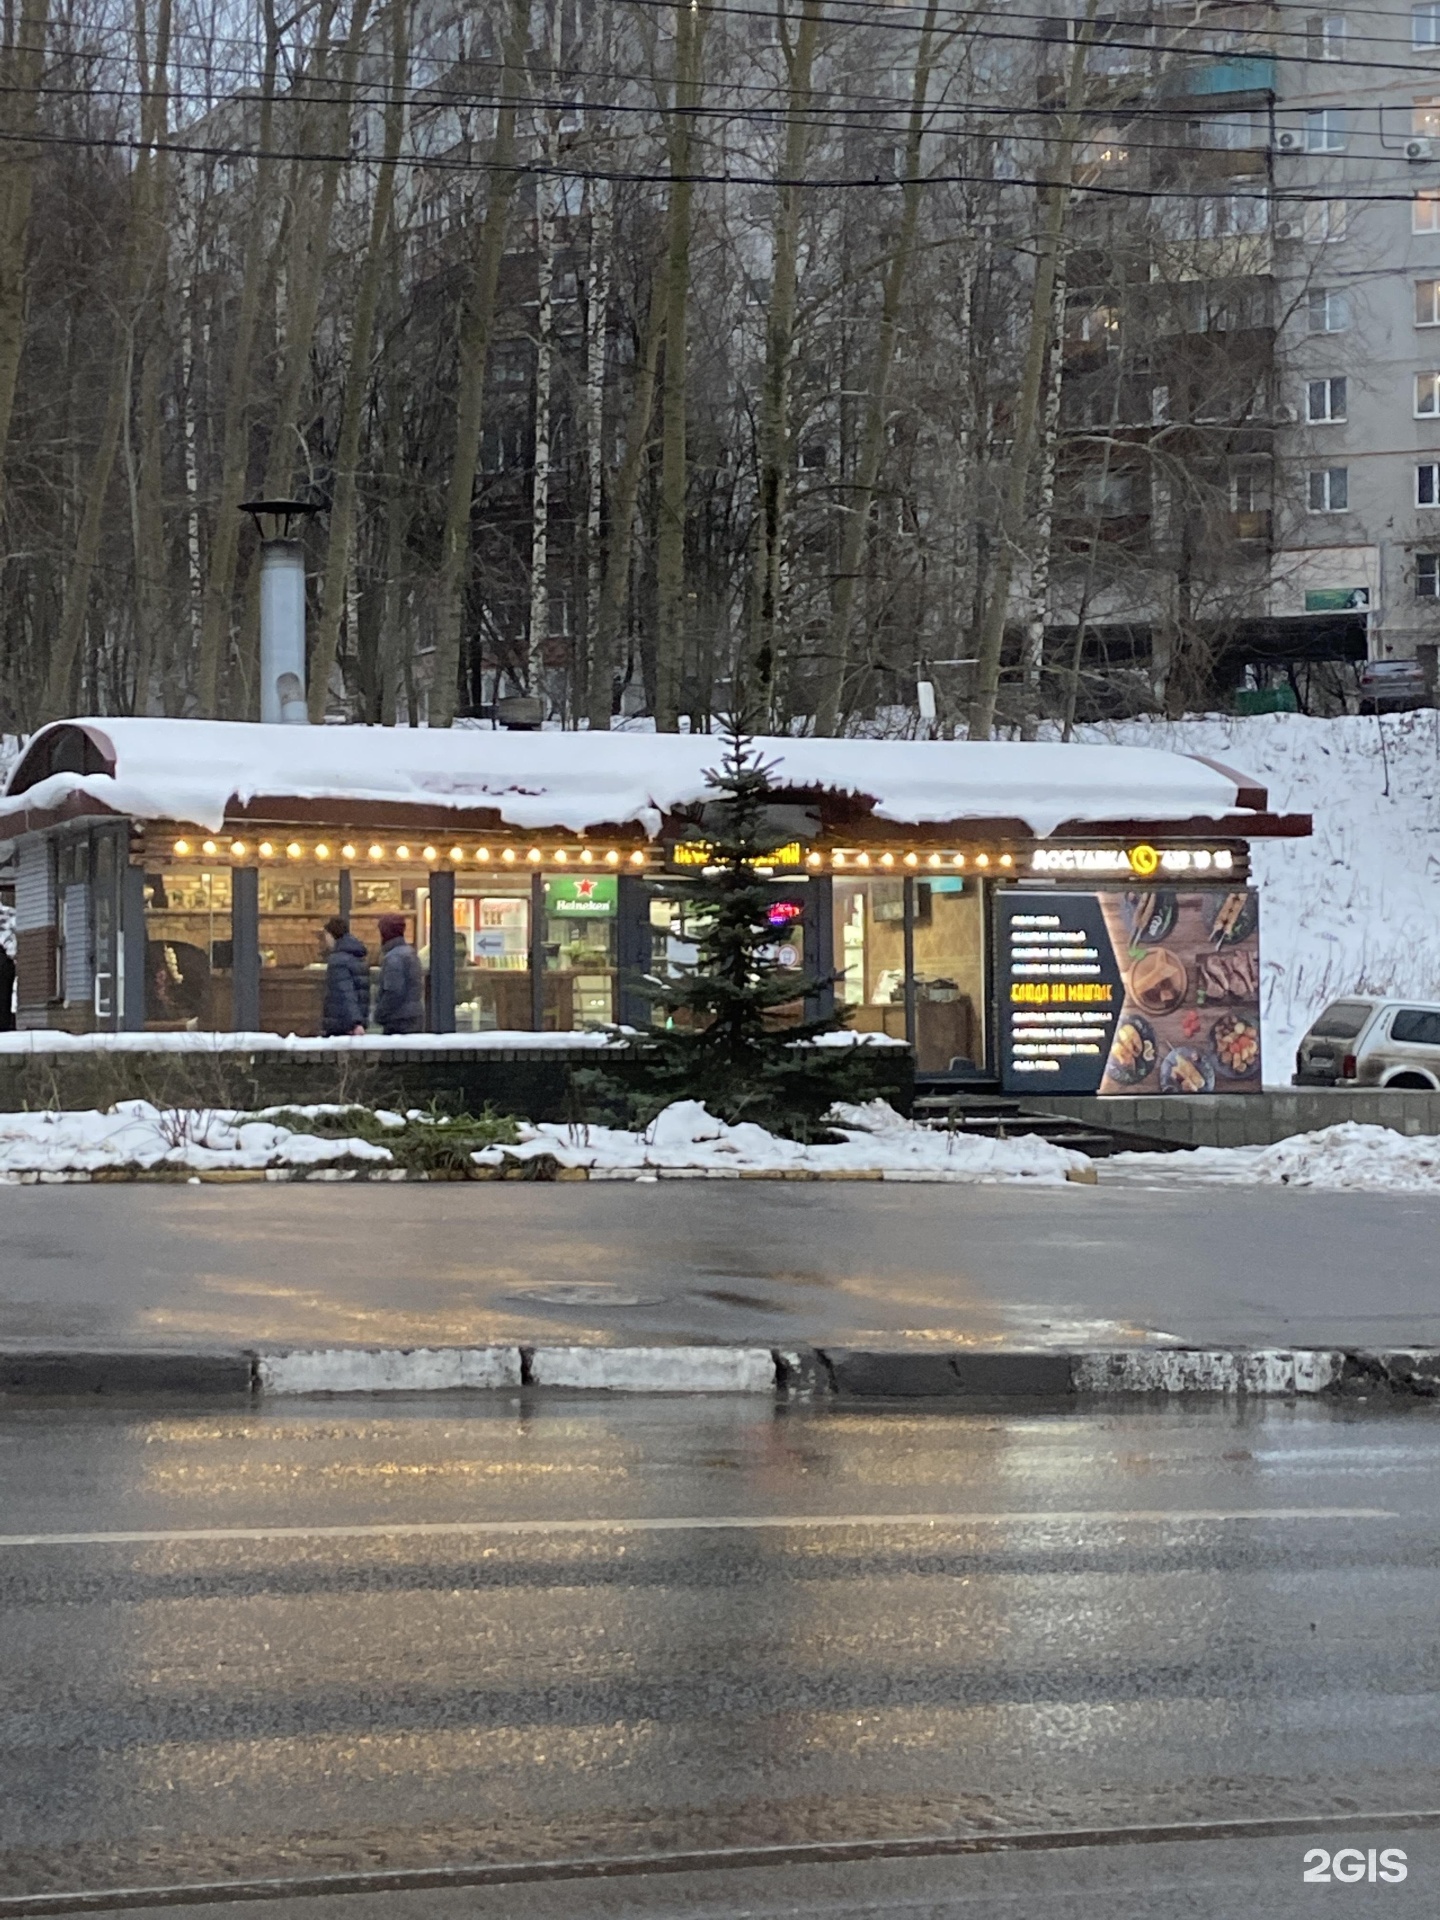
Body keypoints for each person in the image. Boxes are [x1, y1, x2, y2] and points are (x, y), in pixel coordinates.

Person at [373, 911, 424, 1034]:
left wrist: (379, 1014)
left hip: (398, 1020)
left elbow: (393, 992)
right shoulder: (410, 953)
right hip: (413, 1016)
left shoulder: (393, 957)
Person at [320, 916, 369, 1037]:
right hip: (355, 1024)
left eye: (326, 935)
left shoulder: (338, 960)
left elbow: (346, 992)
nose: (326, 939)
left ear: (332, 935)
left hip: (342, 1025)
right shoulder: (357, 957)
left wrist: (355, 1023)